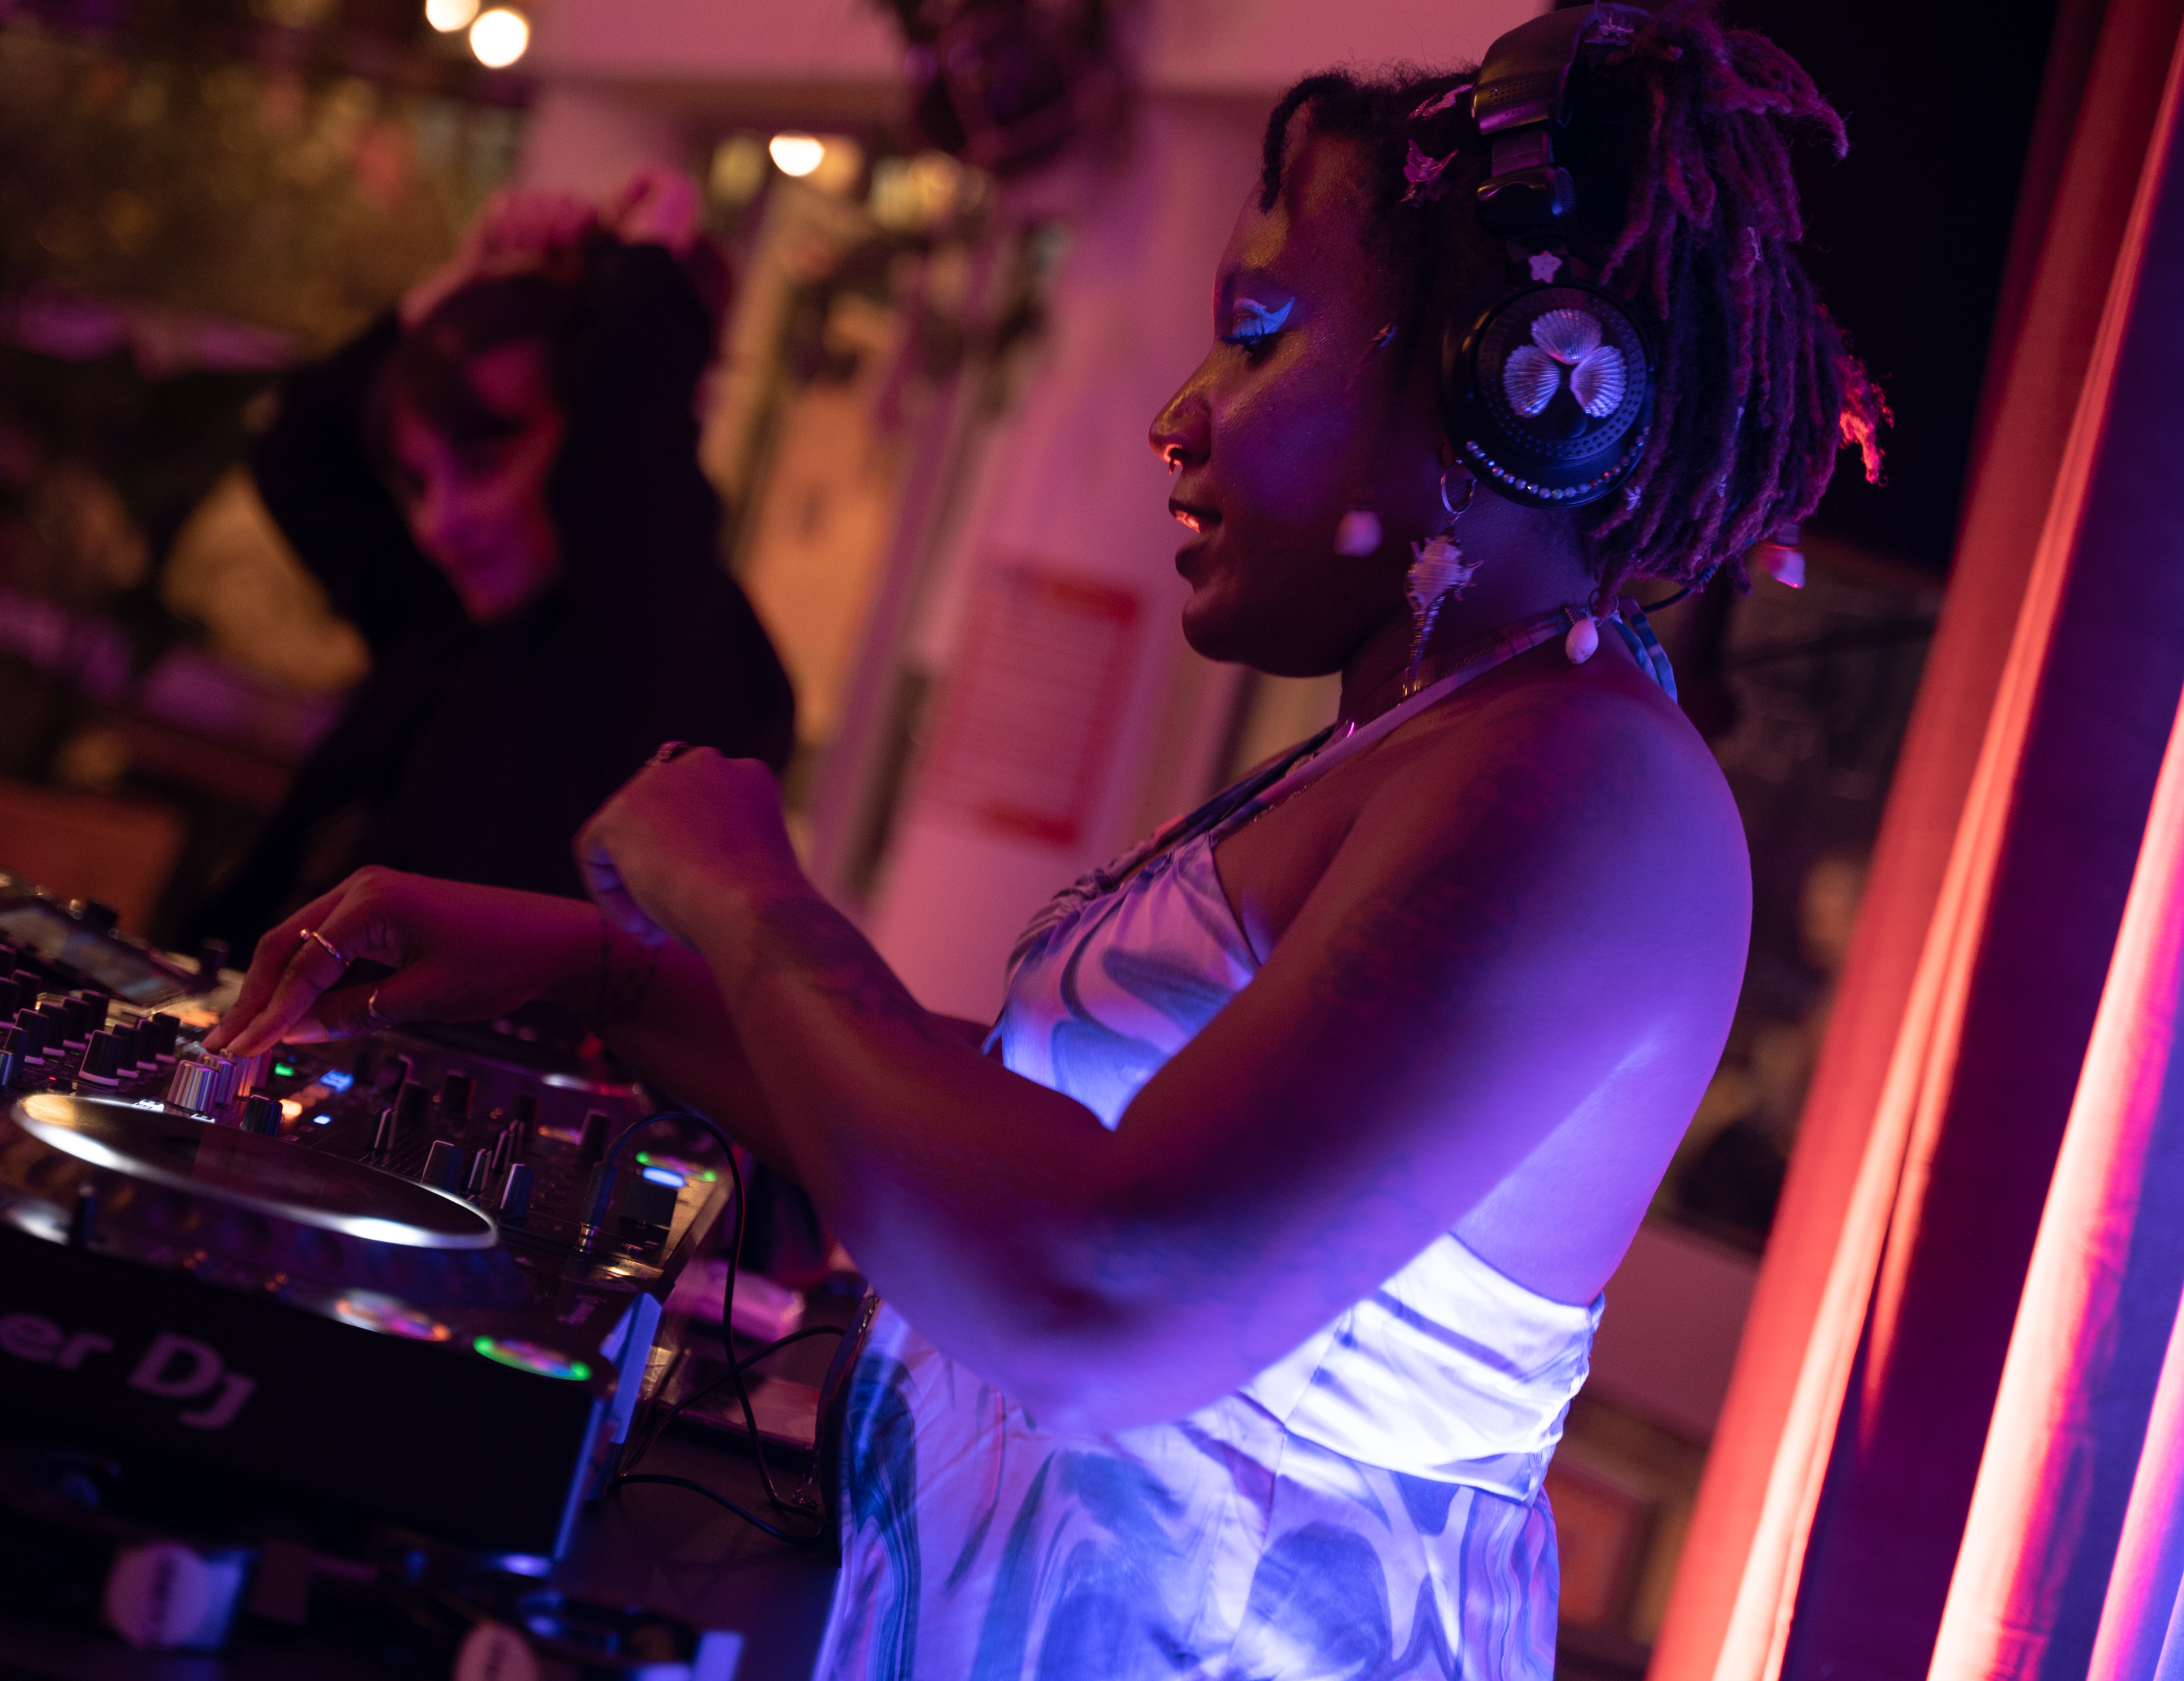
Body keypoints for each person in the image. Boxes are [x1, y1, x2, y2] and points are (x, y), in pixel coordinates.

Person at [210, 6, 1883, 1673]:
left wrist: (751, 899)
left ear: (1512, 383)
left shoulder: (1584, 788)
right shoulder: (1422, 749)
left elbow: (1103, 1291)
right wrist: (598, 972)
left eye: (1256, 334)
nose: (1180, 414)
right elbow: (1044, 1136)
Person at [186, 174, 796, 952]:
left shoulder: (682, 658)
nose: (437, 525)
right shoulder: (454, 624)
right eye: (416, 483)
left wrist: (649, 252)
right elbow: (301, 452)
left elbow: (625, 456)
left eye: (481, 464)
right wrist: (448, 289)